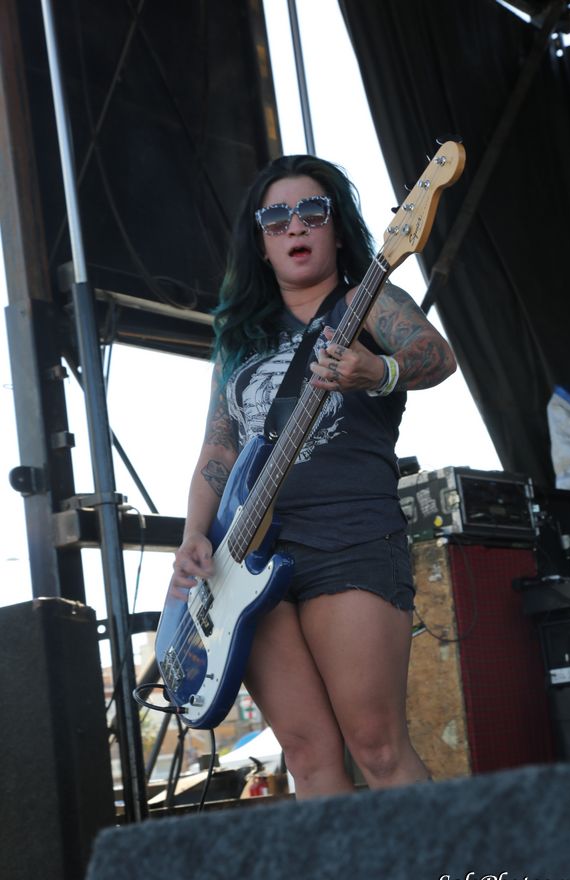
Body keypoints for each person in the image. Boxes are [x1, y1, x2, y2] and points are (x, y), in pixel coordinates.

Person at [171, 154, 456, 799]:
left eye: (311, 211)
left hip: (349, 536)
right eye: (276, 218)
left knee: (376, 746)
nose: (294, 225)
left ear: (335, 228)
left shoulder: (366, 301)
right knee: (306, 755)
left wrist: (377, 371)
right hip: (245, 557)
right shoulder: (239, 339)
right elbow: (218, 449)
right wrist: (193, 535)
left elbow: (436, 355)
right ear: (261, 243)